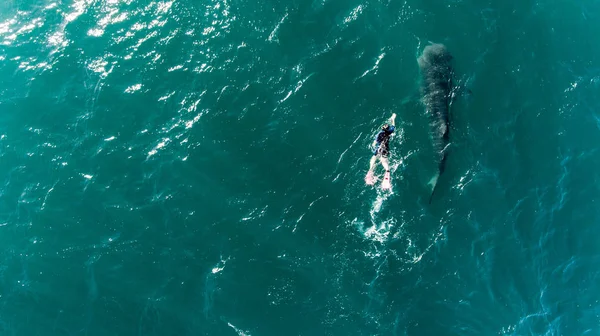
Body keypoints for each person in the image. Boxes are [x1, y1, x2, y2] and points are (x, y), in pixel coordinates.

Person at [365, 113, 396, 186]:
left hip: (379, 148)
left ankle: (370, 170)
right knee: (383, 160)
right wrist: (393, 118)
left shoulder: (380, 133)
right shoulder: (389, 132)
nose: (384, 125)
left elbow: (375, 141)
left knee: (374, 158)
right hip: (385, 148)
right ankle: (387, 171)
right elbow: (393, 126)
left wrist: (373, 143)